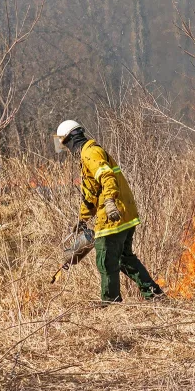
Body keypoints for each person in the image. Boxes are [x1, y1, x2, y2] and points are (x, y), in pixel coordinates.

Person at [53, 120, 164, 303]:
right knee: (125, 258)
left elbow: (106, 176)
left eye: (65, 144)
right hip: (125, 213)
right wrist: (82, 218)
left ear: (71, 139)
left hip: (113, 214)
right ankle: (154, 294)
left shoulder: (90, 153)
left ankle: (110, 302)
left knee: (105, 259)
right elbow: (90, 194)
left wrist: (110, 201)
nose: (66, 150)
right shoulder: (87, 155)